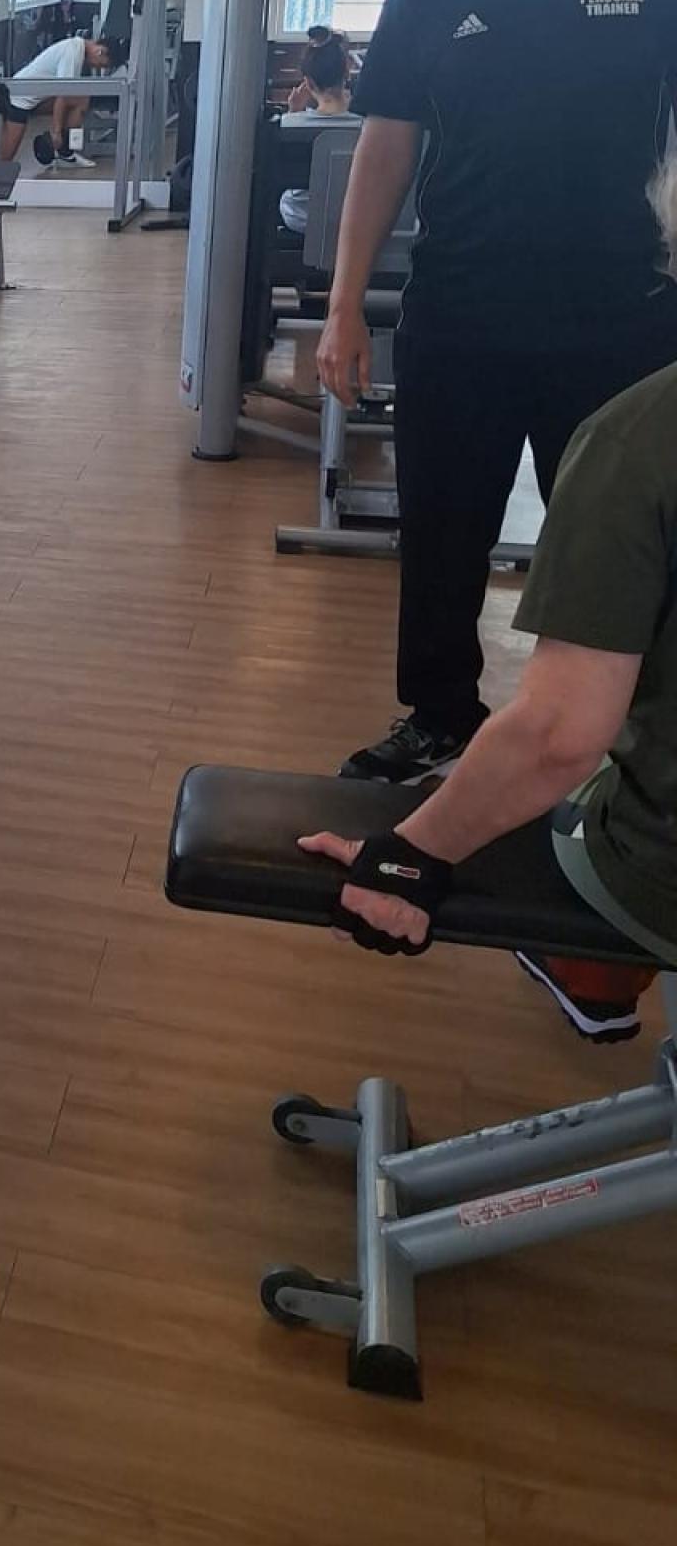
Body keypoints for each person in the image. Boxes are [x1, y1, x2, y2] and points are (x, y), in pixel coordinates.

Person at [318, 0, 677, 785]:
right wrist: (345, 302)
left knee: (621, 542)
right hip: (462, 308)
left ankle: (635, 751)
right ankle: (437, 716)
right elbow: (385, 147)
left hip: (620, 316)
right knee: (441, 530)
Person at [304, 149, 677, 1042]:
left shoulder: (639, 440)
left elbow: (559, 737)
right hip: (466, 322)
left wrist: (410, 853)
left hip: (662, 872)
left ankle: (594, 965)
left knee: (587, 778)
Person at [2, 32, 117, 167]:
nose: (97, 67)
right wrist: (56, 132)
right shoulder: (73, 52)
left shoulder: (77, 48)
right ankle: (59, 143)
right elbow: (62, 96)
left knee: (81, 99)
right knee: (5, 160)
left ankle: (65, 153)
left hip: (36, 100)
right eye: (101, 65)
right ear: (100, 52)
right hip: (18, 99)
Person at [277, 40, 355, 237]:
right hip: (353, 216)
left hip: (300, 216)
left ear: (308, 82)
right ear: (347, 72)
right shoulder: (366, 127)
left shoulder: (287, 125)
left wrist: (294, 112)